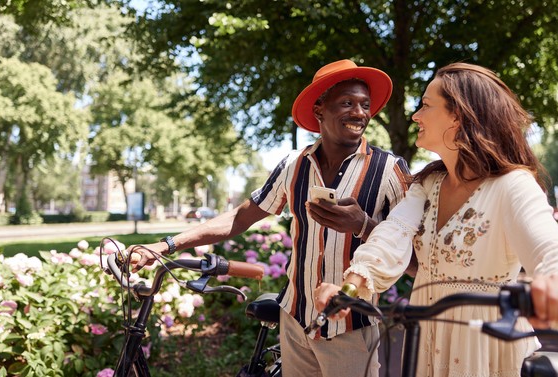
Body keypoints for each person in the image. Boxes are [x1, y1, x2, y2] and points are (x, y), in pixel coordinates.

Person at [126, 59, 410, 377]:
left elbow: (415, 254)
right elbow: (241, 217)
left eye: (364, 105)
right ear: (320, 110)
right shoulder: (293, 165)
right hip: (294, 321)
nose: (359, 113)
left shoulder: (389, 170)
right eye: (347, 103)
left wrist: (362, 225)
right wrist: (166, 245)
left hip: (351, 328)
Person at [314, 62, 558, 376]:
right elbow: (392, 233)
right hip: (425, 339)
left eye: (425, 105)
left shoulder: (512, 185)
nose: (415, 116)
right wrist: (350, 287)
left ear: (458, 115)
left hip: (485, 345)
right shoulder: (428, 185)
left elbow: (549, 247)